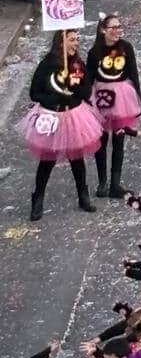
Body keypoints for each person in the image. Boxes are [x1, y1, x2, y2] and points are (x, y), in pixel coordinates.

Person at [22, 27, 103, 220]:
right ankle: (38, 199)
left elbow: (86, 90)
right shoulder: (47, 64)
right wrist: (56, 98)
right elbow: (35, 93)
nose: (76, 43)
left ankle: (83, 196)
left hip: (74, 116)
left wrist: (74, 87)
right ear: (61, 42)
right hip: (52, 116)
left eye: (76, 39)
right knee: (47, 160)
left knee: (77, 158)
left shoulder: (77, 65)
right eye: (72, 39)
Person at [85, 8, 141, 198]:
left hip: (122, 97)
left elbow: (133, 73)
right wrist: (87, 102)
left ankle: (115, 184)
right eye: (113, 27)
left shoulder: (126, 48)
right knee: (101, 140)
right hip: (102, 97)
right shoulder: (95, 52)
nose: (118, 31)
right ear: (103, 30)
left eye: (119, 27)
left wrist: (138, 99)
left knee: (119, 139)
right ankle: (103, 182)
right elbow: (89, 79)